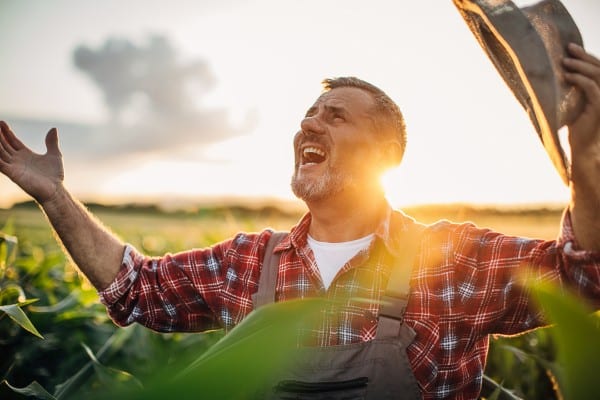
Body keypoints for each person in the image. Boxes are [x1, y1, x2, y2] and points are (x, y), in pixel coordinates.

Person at [0, 42, 599, 399]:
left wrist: (591, 162)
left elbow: (584, 276)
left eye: (335, 117)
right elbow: (139, 289)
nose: (309, 125)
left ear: (387, 155)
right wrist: (54, 196)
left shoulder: (455, 259)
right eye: (308, 115)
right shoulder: (245, 264)